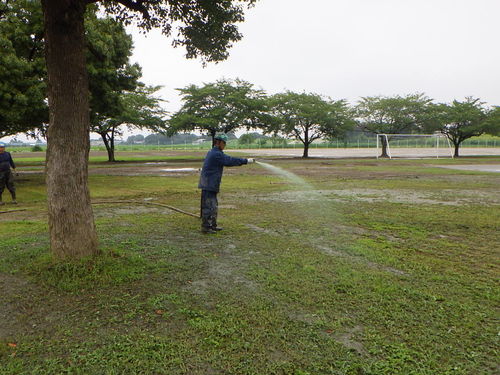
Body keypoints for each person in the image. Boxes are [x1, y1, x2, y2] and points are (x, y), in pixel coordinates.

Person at [199, 134, 254, 234]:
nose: (225, 145)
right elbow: (229, 160)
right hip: (209, 183)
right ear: (218, 142)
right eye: (224, 143)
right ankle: (206, 227)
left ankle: (212, 225)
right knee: (209, 206)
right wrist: (246, 161)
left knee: (213, 205)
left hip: (210, 182)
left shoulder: (214, 152)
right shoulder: (216, 154)